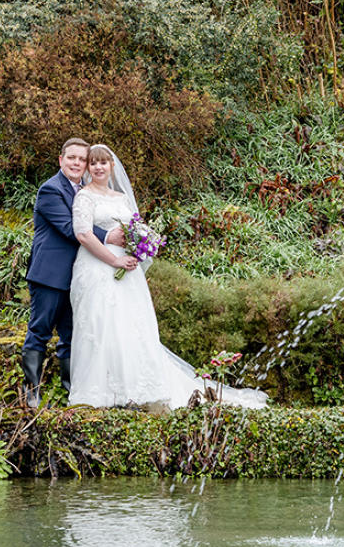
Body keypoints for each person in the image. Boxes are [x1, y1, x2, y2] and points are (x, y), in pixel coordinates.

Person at [68, 144, 268, 409]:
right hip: (97, 267)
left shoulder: (121, 198)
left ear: (111, 166)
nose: (98, 167)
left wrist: (140, 245)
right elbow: (83, 234)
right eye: (93, 163)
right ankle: (101, 393)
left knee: (130, 326)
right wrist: (114, 258)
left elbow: (135, 227)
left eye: (103, 162)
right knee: (100, 324)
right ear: (88, 168)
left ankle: (136, 389)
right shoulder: (84, 197)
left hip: (127, 270)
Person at [23, 138, 123, 408]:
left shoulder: (86, 191)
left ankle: (70, 391)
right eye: (72, 158)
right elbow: (71, 228)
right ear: (61, 160)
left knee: (72, 335)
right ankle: (31, 393)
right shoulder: (50, 190)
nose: (77, 163)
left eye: (82, 159)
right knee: (40, 330)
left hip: (80, 276)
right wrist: (110, 236)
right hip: (50, 274)